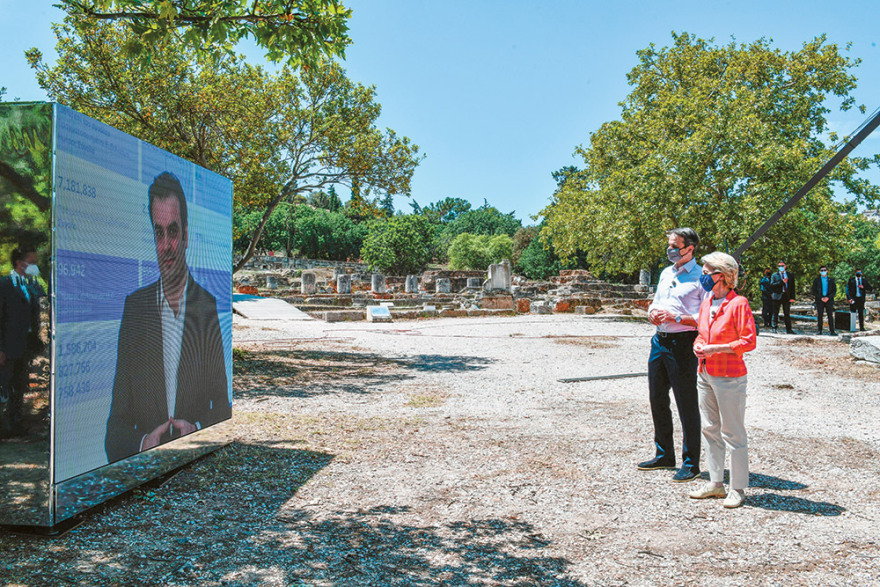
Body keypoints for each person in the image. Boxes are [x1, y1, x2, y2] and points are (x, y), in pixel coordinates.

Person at [105, 172, 230, 462]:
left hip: (195, 464)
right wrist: (143, 443)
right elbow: (114, 429)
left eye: (172, 231)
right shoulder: (135, 308)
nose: (166, 245)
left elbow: (223, 408)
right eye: (158, 233)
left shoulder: (206, 306)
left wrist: (196, 430)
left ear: (185, 235)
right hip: (149, 468)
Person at [639, 227, 707, 483]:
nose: (670, 250)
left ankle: (691, 463)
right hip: (659, 341)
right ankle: (664, 454)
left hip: (683, 343)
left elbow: (706, 317)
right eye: (669, 245)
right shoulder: (666, 273)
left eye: (674, 246)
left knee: (686, 402)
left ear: (690, 248)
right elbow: (656, 301)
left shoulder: (701, 277)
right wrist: (652, 313)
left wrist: (676, 317)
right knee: (657, 398)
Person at [689, 252, 757, 509]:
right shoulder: (707, 301)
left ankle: (737, 488)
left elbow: (748, 341)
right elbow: (701, 333)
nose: (703, 276)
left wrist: (715, 349)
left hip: (729, 375)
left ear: (723, 275)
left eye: (707, 271)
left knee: (733, 432)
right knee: (709, 428)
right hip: (705, 372)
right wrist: (699, 345)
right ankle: (715, 483)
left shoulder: (738, 303)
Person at [0, 247, 42, 437]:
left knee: (20, 386)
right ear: (19, 262)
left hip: (25, 346)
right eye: (31, 262)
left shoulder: (29, 285)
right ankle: (5, 426)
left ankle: (16, 423)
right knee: (5, 386)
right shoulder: (5, 284)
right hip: (8, 347)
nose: (35, 266)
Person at [770, 261, 796, 334]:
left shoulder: (790, 275)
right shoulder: (774, 275)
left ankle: (789, 329)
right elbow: (772, 285)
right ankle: (774, 328)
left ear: (785, 266)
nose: (781, 267)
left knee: (787, 313)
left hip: (786, 296)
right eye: (779, 266)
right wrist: (782, 282)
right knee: (775, 313)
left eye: (782, 266)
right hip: (777, 296)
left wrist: (792, 297)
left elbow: (792, 287)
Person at [810, 266, 836, 336]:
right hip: (819, 300)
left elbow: (834, 290)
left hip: (829, 300)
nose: (823, 271)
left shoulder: (831, 280)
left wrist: (828, 297)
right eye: (822, 270)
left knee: (830, 315)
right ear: (819, 272)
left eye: (824, 270)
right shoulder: (816, 280)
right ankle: (819, 330)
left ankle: (832, 331)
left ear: (827, 271)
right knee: (820, 316)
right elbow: (814, 291)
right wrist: (821, 298)